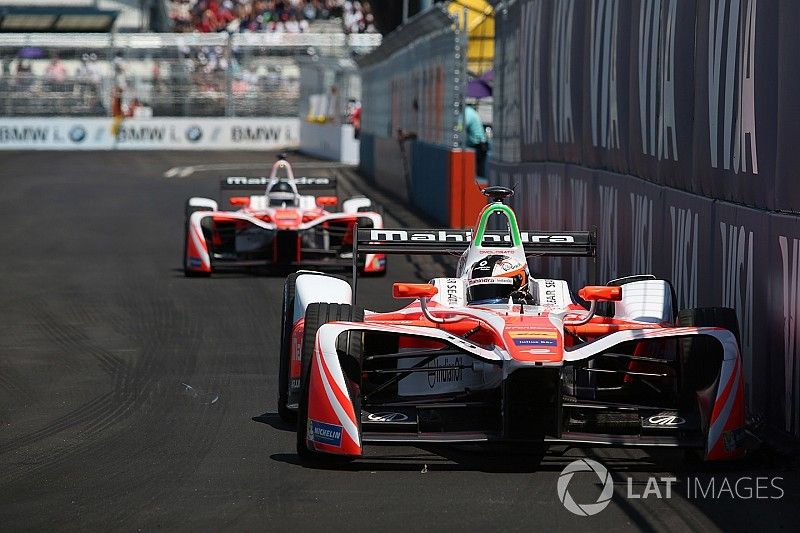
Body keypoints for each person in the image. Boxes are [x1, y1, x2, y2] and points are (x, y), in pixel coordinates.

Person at [464, 103, 488, 178]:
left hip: (478, 145)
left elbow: (463, 125)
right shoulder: (470, 111)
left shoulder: (467, 112)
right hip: (479, 144)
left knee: (476, 171)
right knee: (478, 170)